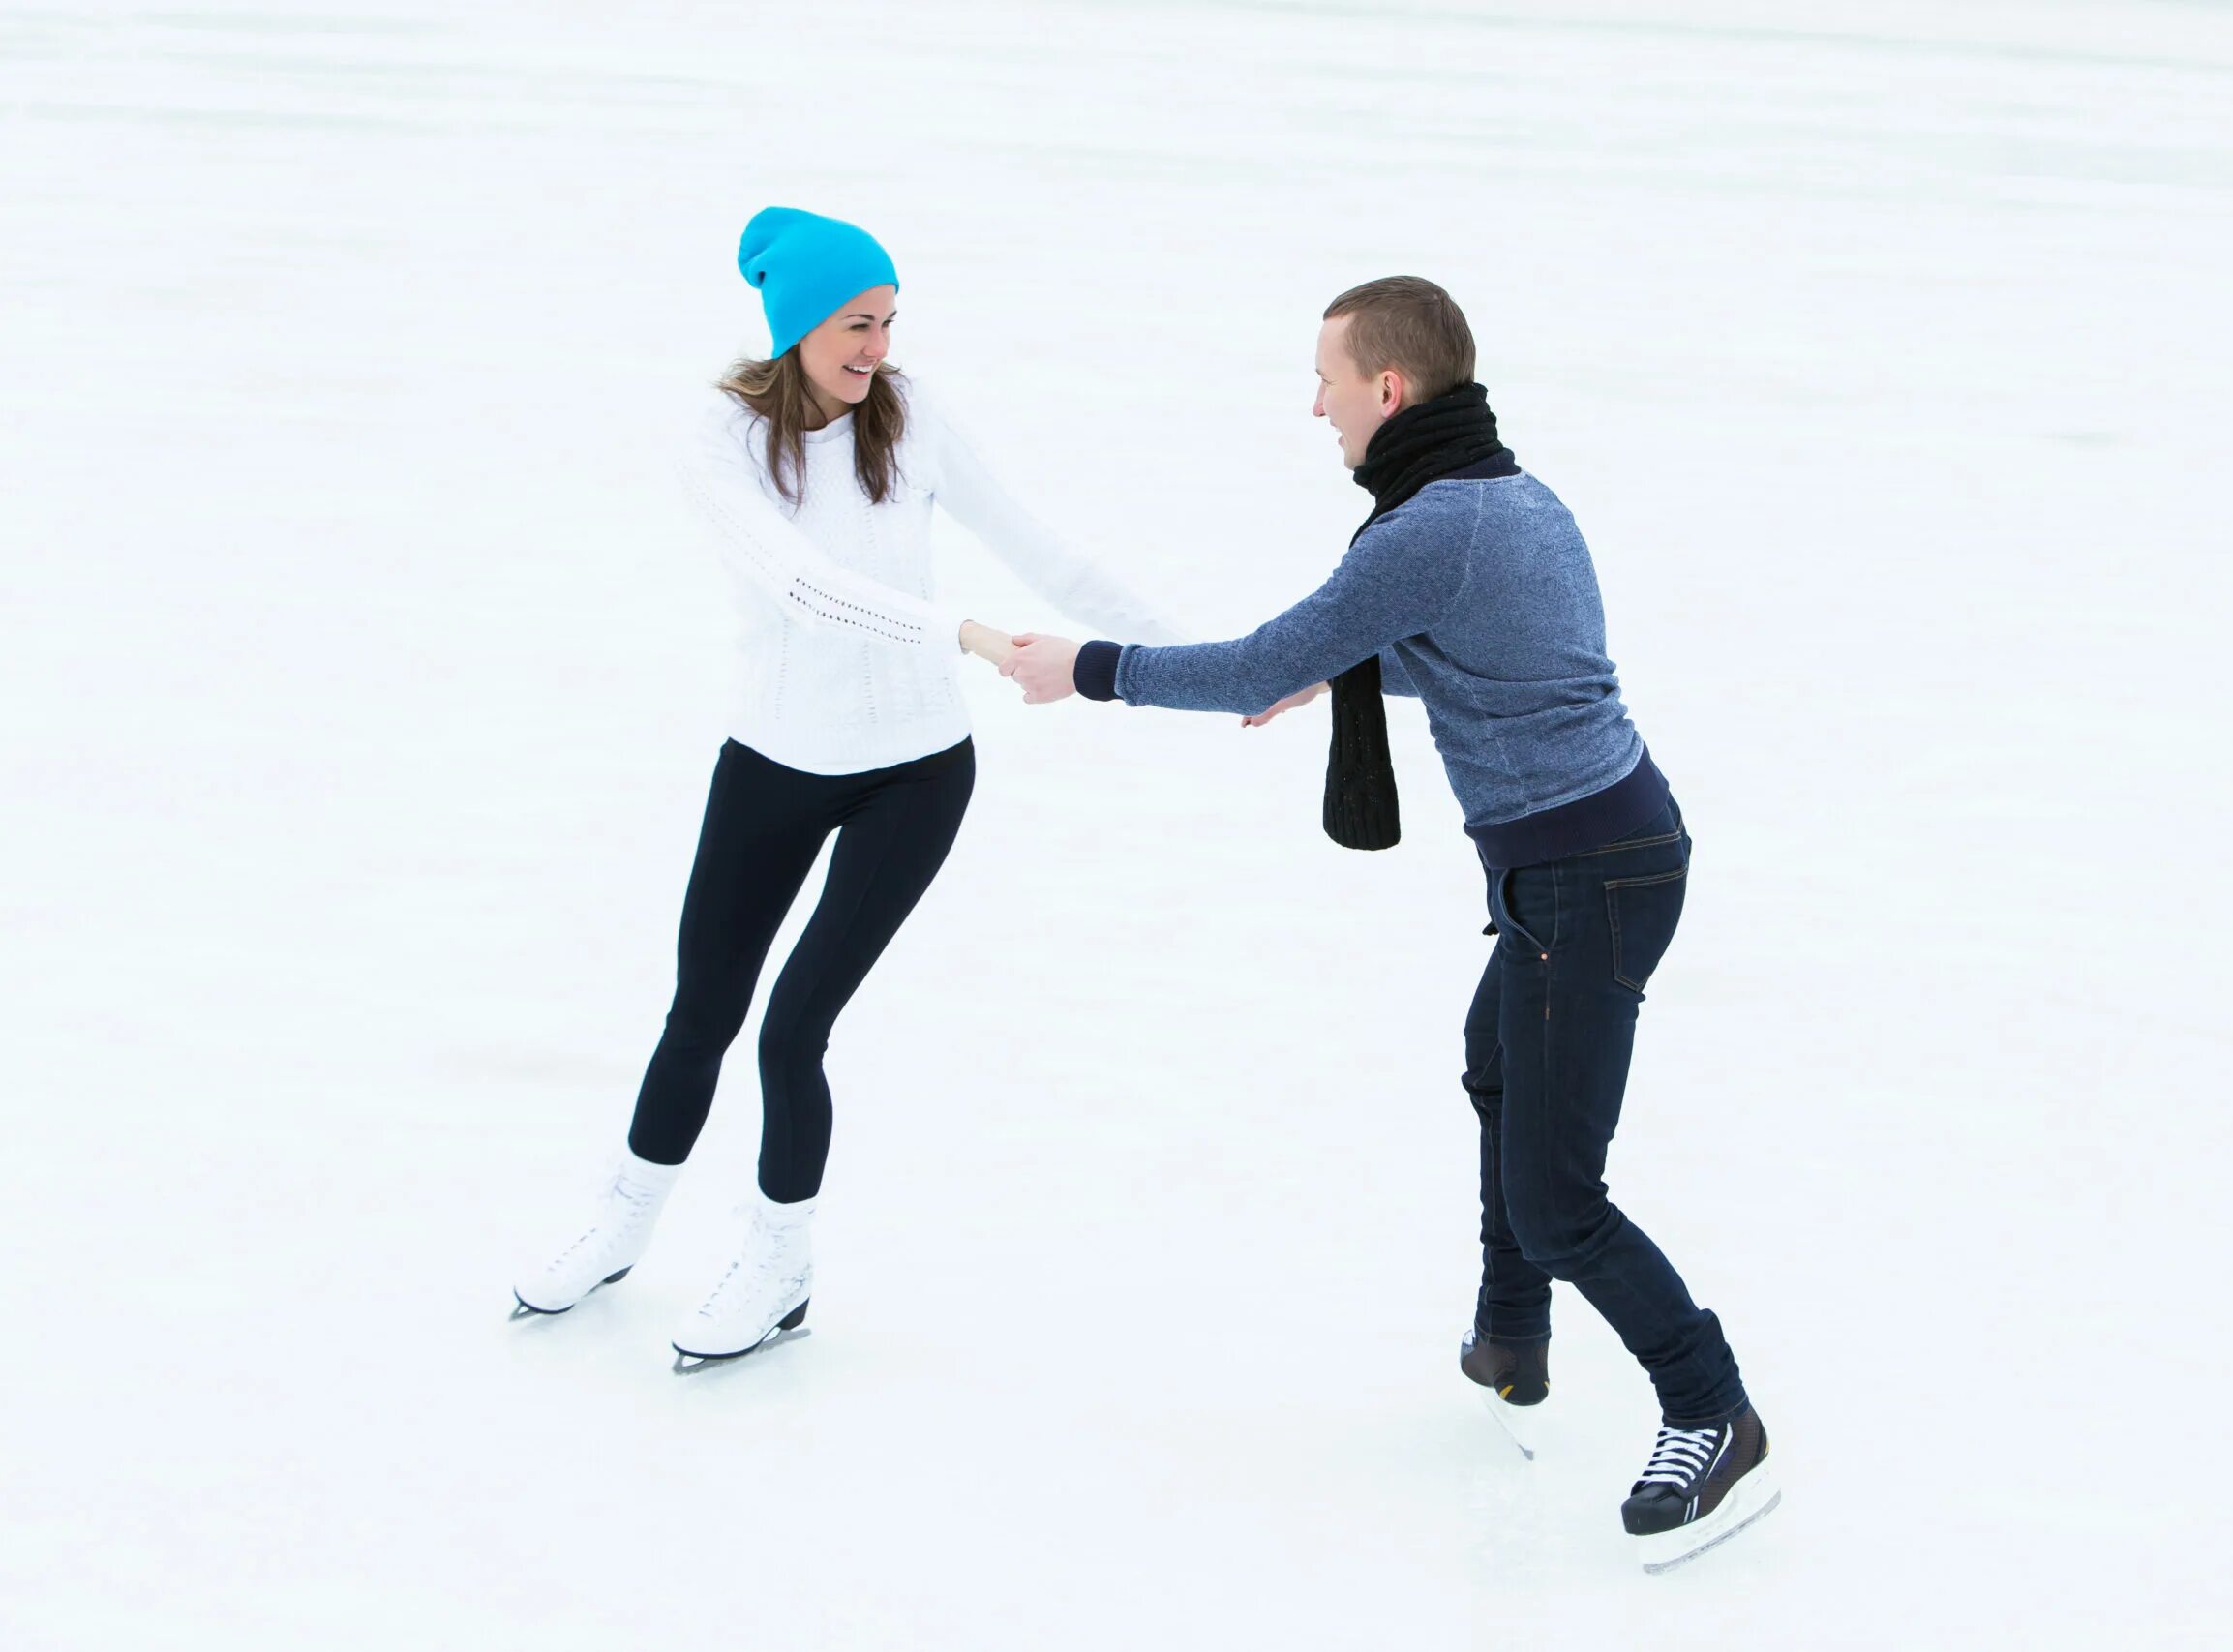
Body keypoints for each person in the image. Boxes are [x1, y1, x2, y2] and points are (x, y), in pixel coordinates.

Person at [1000, 278, 1775, 1567]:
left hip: (1587, 873)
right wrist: (1339, 666)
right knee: (1497, 1068)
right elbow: (1491, 649)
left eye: (1326, 379)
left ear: (1389, 389)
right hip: (1595, 857)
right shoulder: (1514, 498)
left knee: (1560, 1197)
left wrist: (1087, 669)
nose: (1315, 404)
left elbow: (1255, 658)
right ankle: (1511, 1335)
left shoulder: (1427, 529)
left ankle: (1712, 1407)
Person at [511, 208, 1182, 1367]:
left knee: (791, 1029)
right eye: (854, 326)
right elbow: (801, 588)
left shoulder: (909, 417)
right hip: (772, 761)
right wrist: (966, 634)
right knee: (699, 1014)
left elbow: (1046, 550)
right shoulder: (718, 438)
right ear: (792, 329)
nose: (875, 351)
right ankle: (621, 1227)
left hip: (913, 775)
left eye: (886, 323)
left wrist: (1199, 664)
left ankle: (779, 1269)